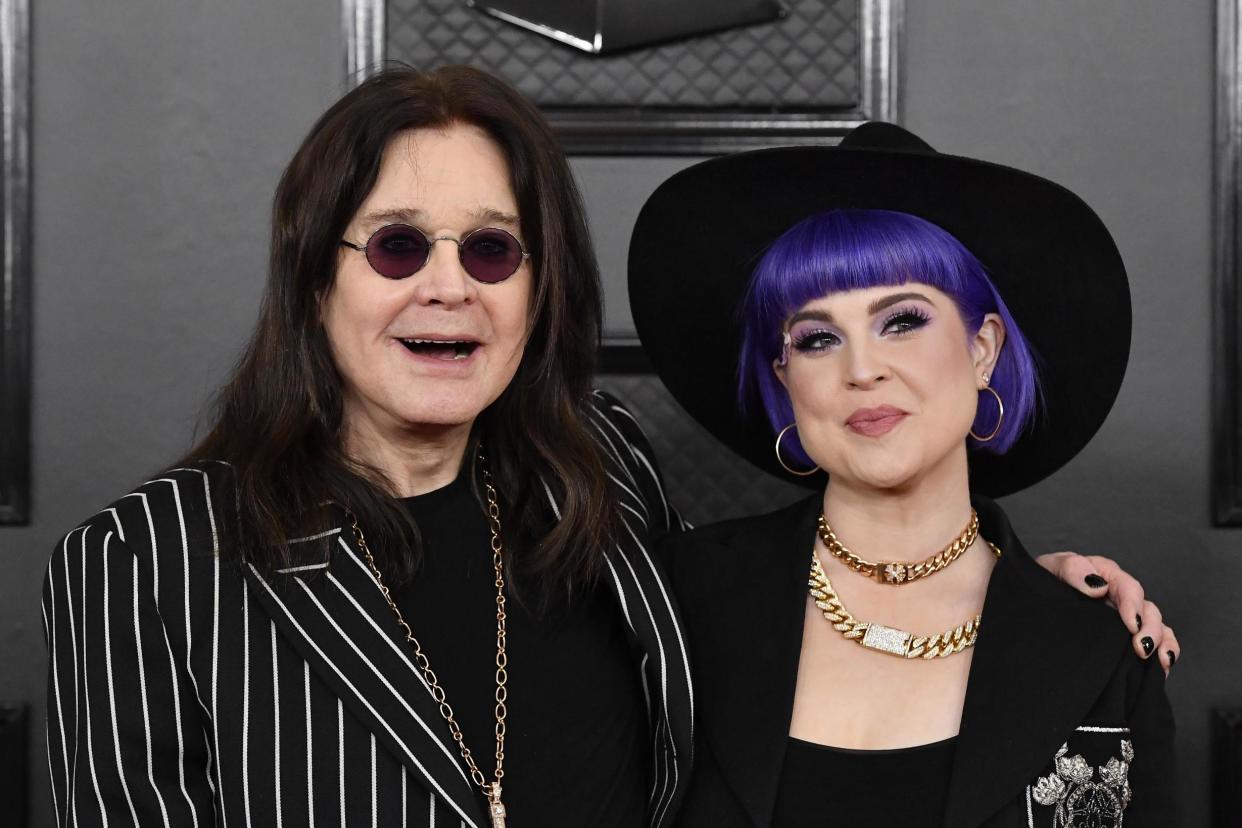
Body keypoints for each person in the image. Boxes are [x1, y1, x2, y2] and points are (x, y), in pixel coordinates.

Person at [41, 67, 1169, 828]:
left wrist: (1029, 596)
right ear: (314, 278)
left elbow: (837, 583)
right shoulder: (144, 566)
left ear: (537, 290)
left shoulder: (596, 474)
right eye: (395, 247)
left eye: (492, 250)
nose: (448, 284)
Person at [630, 123, 1178, 826]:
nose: (861, 369)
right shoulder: (669, 603)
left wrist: (1041, 603)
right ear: (786, 379)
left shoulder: (1100, 653)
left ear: (983, 350)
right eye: (818, 338)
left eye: (902, 321)